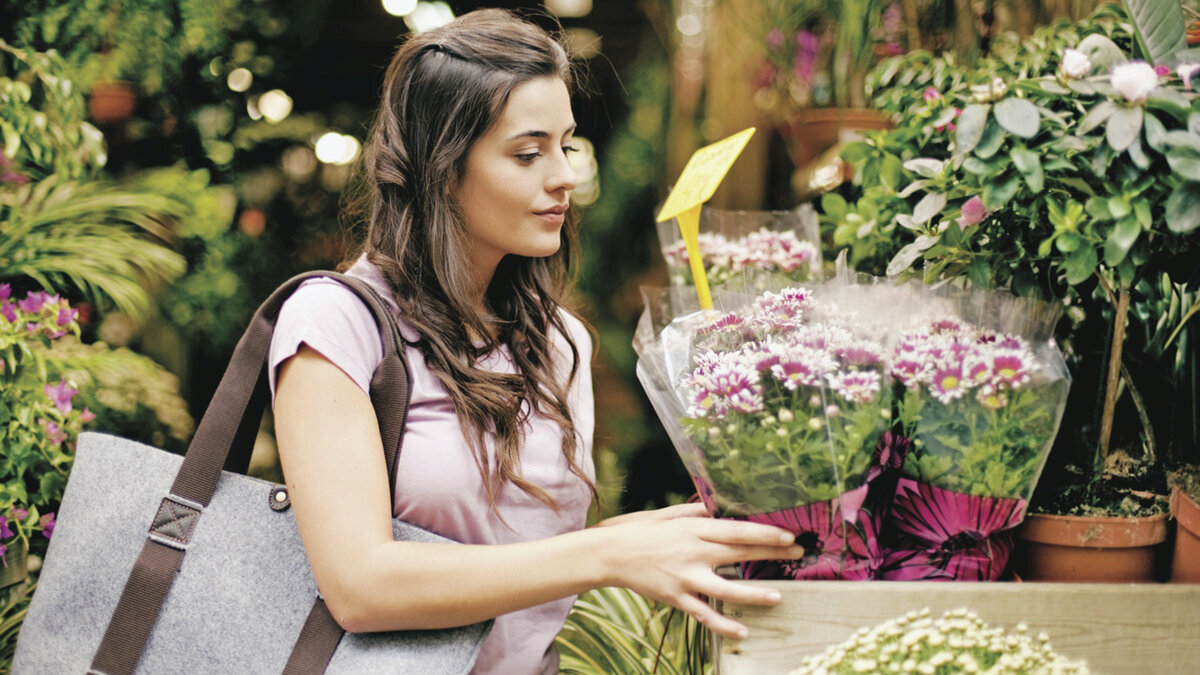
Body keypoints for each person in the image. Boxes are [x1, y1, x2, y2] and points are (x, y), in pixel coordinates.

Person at [270, 8, 803, 674]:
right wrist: (603, 555)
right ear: (441, 165)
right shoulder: (334, 323)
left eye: (566, 144)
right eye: (528, 152)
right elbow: (359, 585)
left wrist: (638, 538)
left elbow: (520, 560)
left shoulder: (557, 341)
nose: (565, 177)